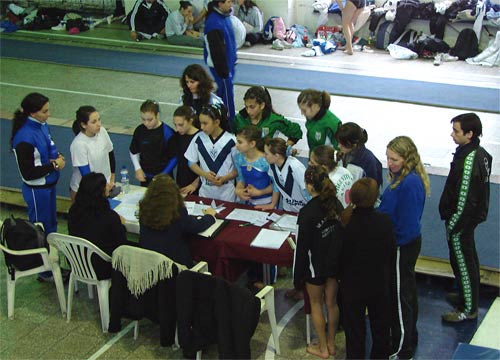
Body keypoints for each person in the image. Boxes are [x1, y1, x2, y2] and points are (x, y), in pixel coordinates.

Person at [378, 136, 430, 360]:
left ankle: (402, 349)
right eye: (388, 158)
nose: (389, 163)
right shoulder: (405, 178)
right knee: (406, 292)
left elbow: (406, 224)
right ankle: (410, 336)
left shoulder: (408, 184)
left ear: (407, 159)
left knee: (400, 298)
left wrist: (389, 243)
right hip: (403, 244)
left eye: (395, 159)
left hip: (401, 246)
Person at [439, 113, 492, 322]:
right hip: (467, 220)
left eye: (456, 131)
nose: (452, 135)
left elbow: (465, 200)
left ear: (469, 134)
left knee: (463, 262)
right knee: (467, 260)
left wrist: (453, 225)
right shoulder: (477, 152)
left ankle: (468, 308)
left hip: (461, 222)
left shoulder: (469, 162)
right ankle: (466, 294)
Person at [338, 178, 394, 359]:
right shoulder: (384, 222)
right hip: (378, 284)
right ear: (374, 198)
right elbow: (390, 253)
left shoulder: (346, 223)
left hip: (352, 286)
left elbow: (339, 257)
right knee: (381, 328)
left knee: (354, 332)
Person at [293, 165, 343, 359]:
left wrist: (298, 278)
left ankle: (321, 348)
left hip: (316, 267)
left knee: (316, 304)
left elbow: (301, 249)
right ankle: (331, 343)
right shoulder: (335, 203)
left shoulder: (307, 213)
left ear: (309, 186)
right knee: (332, 304)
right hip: (333, 263)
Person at [11, 92, 65, 242]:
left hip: (49, 185)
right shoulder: (24, 138)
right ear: (32, 113)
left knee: (51, 225)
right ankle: (39, 260)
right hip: (37, 190)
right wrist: (54, 165)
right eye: (45, 111)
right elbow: (28, 173)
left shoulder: (42, 125)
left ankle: (50, 256)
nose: (49, 114)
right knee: (39, 230)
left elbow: (47, 149)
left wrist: (58, 156)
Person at [138, 174, 216, 267]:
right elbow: (196, 226)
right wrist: (210, 216)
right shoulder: (177, 212)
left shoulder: (144, 209)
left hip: (150, 264)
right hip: (176, 266)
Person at [68, 173, 129, 279]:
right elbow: (122, 245)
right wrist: (122, 225)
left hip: (77, 262)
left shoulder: (73, 211)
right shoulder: (109, 217)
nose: (109, 187)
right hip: (102, 267)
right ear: (100, 192)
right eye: (105, 185)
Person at [184, 103, 237, 202]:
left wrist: (225, 178)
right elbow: (191, 162)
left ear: (216, 122)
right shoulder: (198, 138)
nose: (202, 127)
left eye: (205, 123)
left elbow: (238, 168)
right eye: (200, 123)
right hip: (205, 193)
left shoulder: (232, 140)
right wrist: (204, 174)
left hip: (227, 194)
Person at [70, 106, 115, 201]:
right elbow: (86, 176)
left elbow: (110, 153)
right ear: (83, 125)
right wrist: (102, 188)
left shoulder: (102, 131)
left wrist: (112, 178)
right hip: (85, 190)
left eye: (99, 120)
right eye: (94, 122)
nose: (99, 124)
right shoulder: (79, 144)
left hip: (104, 187)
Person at [129, 100, 177, 187]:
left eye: (149, 120)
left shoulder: (168, 133)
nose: (146, 123)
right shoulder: (140, 130)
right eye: (143, 119)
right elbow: (133, 150)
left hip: (164, 179)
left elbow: (174, 157)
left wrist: (163, 174)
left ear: (157, 115)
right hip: (145, 177)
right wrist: (138, 168)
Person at [234, 86, 303, 146]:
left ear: (262, 105)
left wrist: (286, 148)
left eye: (252, 107)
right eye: (246, 107)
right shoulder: (239, 119)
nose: (248, 111)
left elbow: (296, 131)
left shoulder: (274, 121)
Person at [204, 0, 237, 125]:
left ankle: (216, 119)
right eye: (228, 1)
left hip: (228, 65)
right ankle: (230, 124)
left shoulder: (225, 17)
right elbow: (216, 51)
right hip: (221, 68)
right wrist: (224, 72)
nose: (231, 4)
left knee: (222, 94)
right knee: (228, 97)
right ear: (220, 3)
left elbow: (230, 41)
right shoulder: (214, 23)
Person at [257, 138, 309, 213]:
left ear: (276, 156)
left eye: (266, 154)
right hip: (288, 209)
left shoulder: (295, 167)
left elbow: (309, 190)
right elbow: (276, 185)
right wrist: (273, 204)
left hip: (304, 210)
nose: (264, 156)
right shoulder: (272, 166)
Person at [234, 125, 272, 206]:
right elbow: (242, 179)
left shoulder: (266, 160)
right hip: (249, 202)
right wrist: (238, 190)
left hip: (267, 202)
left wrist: (260, 192)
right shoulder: (238, 158)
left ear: (252, 144)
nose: (236, 145)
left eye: (240, 142)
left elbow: (276, 185)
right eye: (237, 141)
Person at [336, 122, 383, 188]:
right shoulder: (342, 152)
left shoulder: (369, 161)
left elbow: (372, 190)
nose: (338, 146)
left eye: (342, 144)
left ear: (354, 144)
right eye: (338, 142)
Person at [309, 145, 353, 209]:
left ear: (323, 167)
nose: (309, 163)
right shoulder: (345, 171)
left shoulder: (326, 183)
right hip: (348, 210)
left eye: (312, 163)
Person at [172, 105, 201, 196]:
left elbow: (209, 167)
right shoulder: (177, 136)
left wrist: (195, 184)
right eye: (175, 125)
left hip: (197, 187)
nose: (177, 129)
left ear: (190, 121)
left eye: (181, 125)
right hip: (181, 184)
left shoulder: (201, 138)